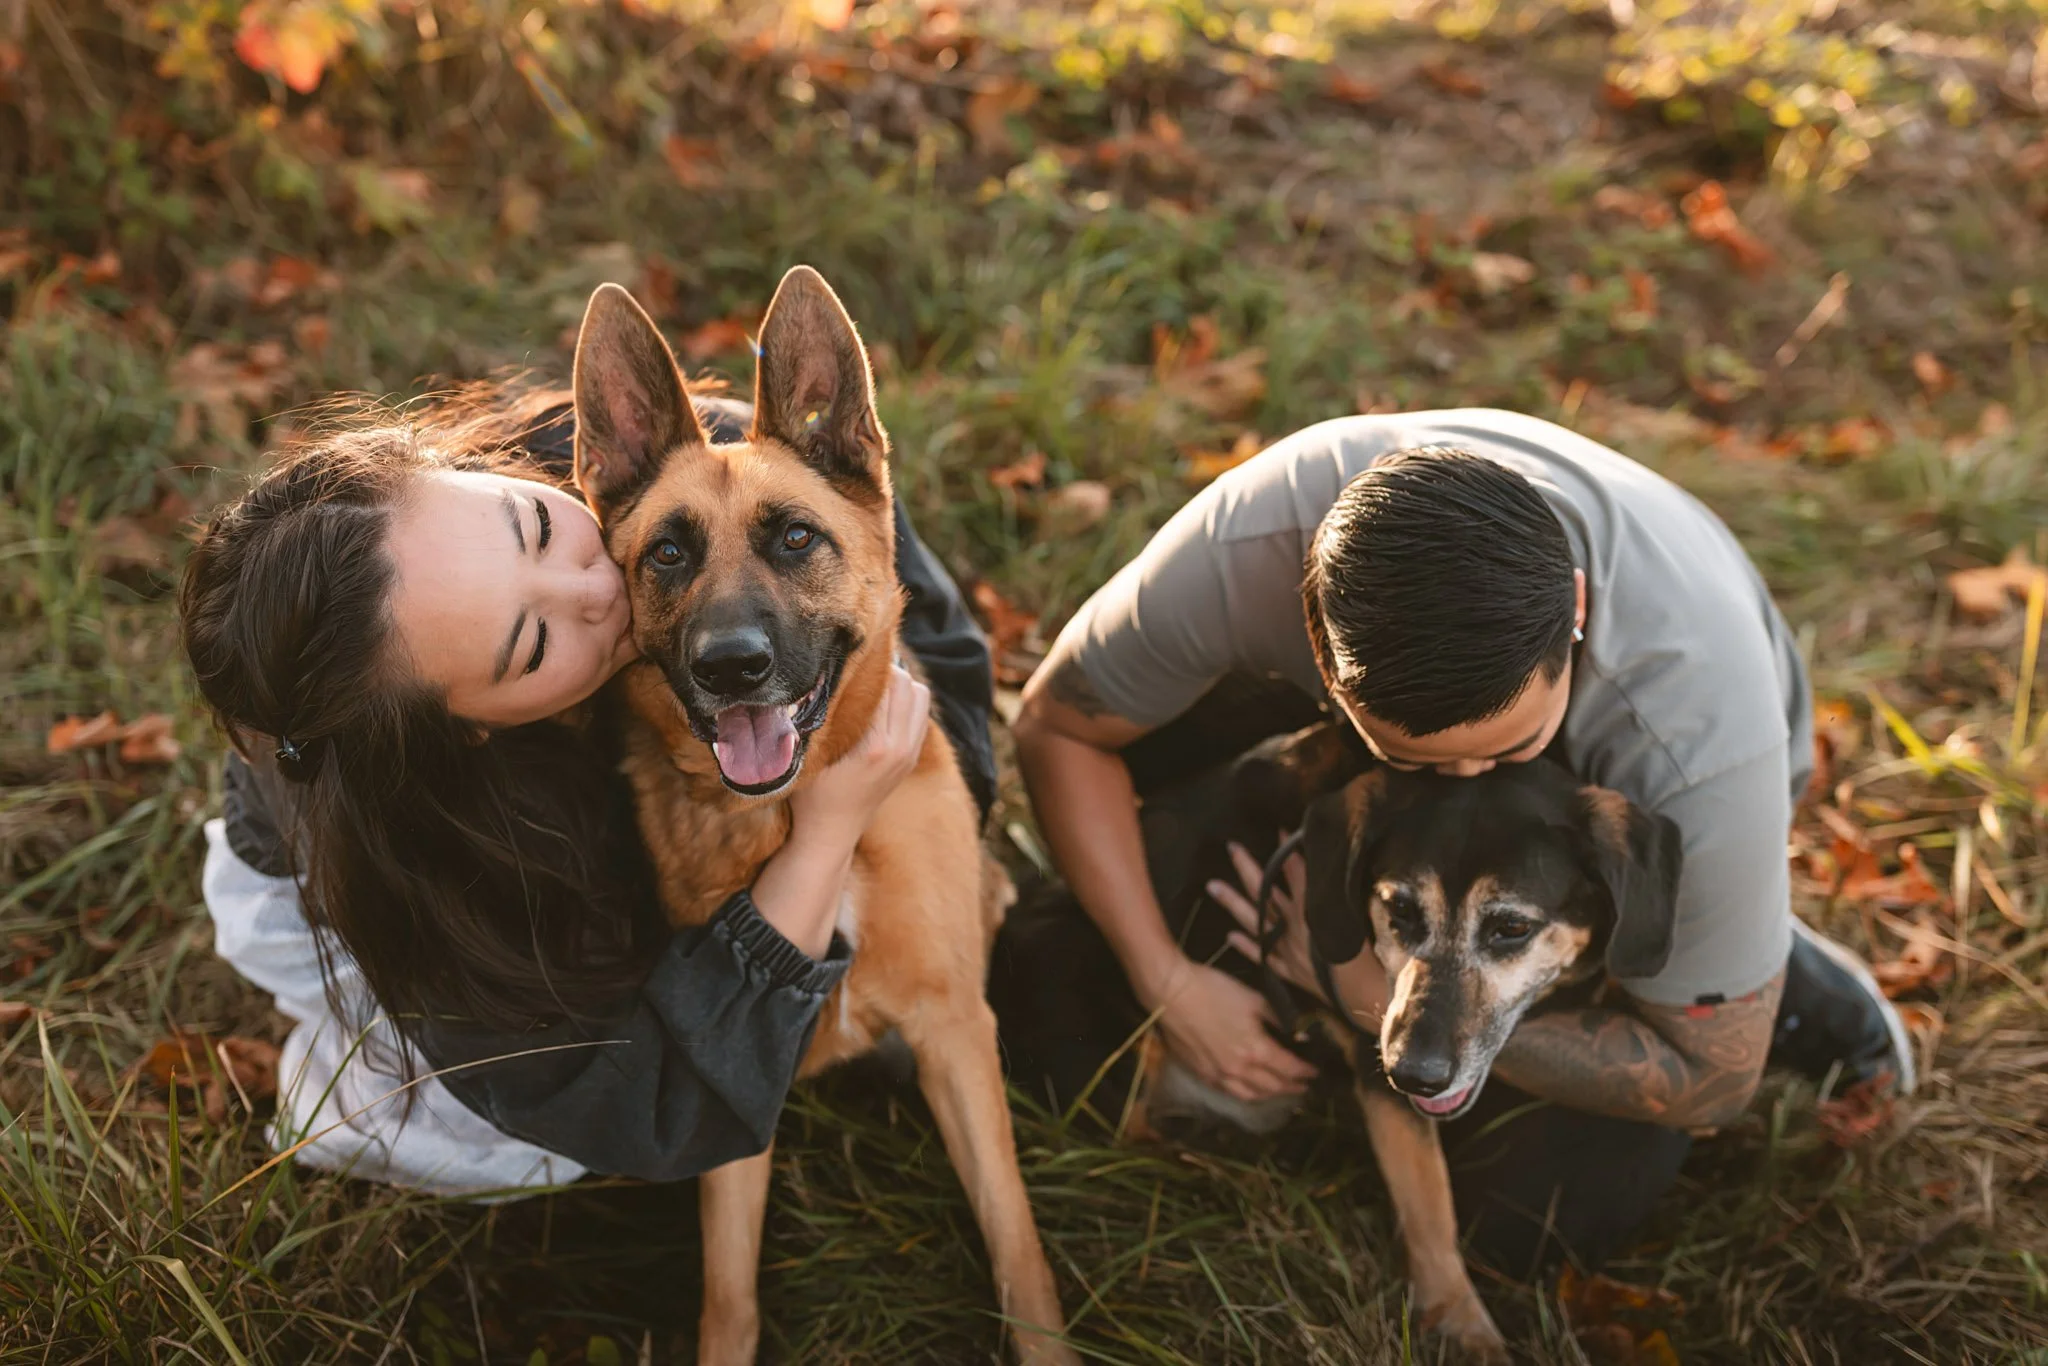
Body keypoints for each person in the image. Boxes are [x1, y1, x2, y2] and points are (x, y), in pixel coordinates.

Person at [1012, 409, 1914, 1274]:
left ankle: (1744, 949)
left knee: (1540, 1220)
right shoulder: (1250, 546)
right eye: (1413, 762)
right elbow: (1057, 730)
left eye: (1510, 749)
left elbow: (1714, 1085)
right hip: (1353, 713)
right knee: (1147, 734)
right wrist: (1162, 975)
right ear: (1320, 653)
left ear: (1574, 609)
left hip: (1661, 772)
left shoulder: (1694, 750)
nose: (1464, 788)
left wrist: (1363, 990)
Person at [182, 389, 997, 1197]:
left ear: (469, 468)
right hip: (380, 911)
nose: (600, 591)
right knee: (507, 1151)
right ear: (469, 730)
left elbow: (926, 629)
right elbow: (646, 1105)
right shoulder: (441, 870)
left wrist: (931, 816)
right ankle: (362, 1072)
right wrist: (823, 838)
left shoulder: (697, 461)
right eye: (534, 642)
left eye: (534, 528)